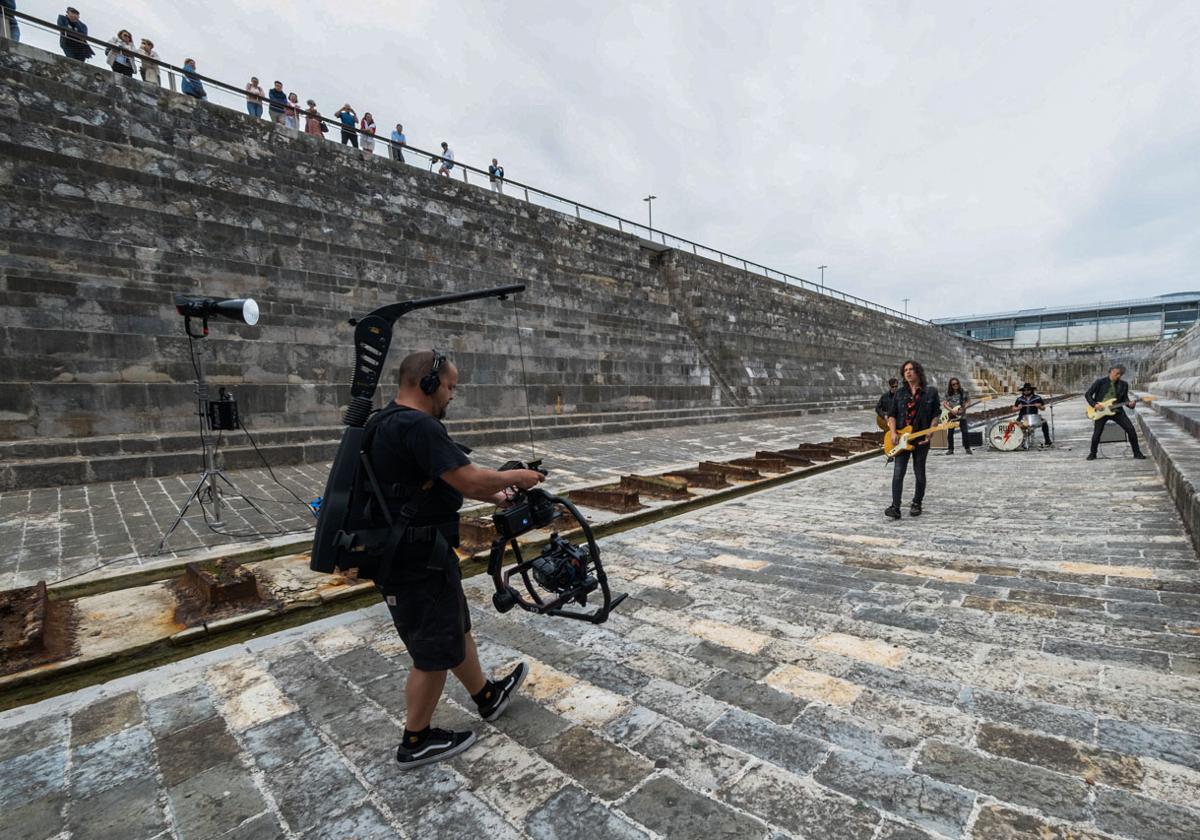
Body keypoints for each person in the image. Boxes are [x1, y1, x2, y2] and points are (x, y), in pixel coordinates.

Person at [367, 350, 544, 769]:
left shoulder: (386, 421)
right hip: (413, 561)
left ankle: (486, 695)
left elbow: (442, 479)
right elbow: (468, 479)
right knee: (432, 652)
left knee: (455, 628)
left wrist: (496, 494)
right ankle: (416, 739)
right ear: (428, 384)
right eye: (449, 387)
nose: (451, 396)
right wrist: (517, 478)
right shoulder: (418, 425)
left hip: (418, 554)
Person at [885, 359, 939, 520]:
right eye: (905, 370)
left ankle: (917, 503)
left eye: (911, 369)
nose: (908, 372)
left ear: (918, 372)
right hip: (901, 438)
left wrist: (931, 432)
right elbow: (892, 414)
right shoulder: (900, 393)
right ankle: (895, 506)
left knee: (919, 472)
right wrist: (893, 433)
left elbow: (936, 414)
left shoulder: (930, 392)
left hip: (921, 439)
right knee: (898, 473)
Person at [1085, 366, 1145, 460]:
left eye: (1120, 374)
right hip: (1101, 411)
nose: (1118, 376)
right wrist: (1094, 404)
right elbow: (1088, 394)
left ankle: (1137, 453)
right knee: (1097, 433)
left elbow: (1125, 399)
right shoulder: (1100, 382)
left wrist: (1131, 405)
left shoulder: (1124, 384)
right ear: (1111, 372)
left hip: (1117, 411)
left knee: (1131, 429)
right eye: (1116, 373)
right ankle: (1093, 453)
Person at [1013, 382, 1052, 448]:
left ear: (1031, 390)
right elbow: (1013, 408)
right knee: (1017, 425)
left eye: (1028, 390)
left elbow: (1043, 408)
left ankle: (1047, 440)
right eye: (1024, 390)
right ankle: (1018, 442)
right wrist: (1018, 408)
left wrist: (1039, 406)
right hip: (1022, 418)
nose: (1026, 391)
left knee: (1044, 422)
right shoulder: (1019, 399)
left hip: (1034, 418)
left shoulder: (1037, 398)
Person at [943, 377, 973, 455]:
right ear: (951, 385)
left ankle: (967, 448)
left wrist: (964, 408)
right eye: (953, 384)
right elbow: (945, 404)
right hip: (952, 415)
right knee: (950, 433)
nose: (955, 385)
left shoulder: (964, 391)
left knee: (965, 432)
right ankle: (950, 449)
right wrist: (951, 410)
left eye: (957, 383)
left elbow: (969, 401)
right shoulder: (948, 393)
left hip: (962, 415)